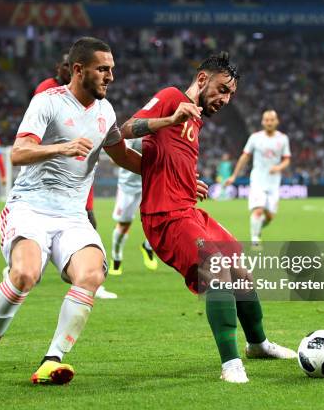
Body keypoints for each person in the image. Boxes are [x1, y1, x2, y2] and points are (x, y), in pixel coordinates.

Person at [0, 37, 141, 385]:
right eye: (103, 69)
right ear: (79, 70)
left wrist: (174, 175)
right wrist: (61, 149)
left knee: (91, 274)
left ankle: (52, 360)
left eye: (112, 70)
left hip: (72, 215)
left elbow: (122, 155)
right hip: (30, 207)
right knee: (24, 275)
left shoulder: (106, 112)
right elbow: (18, 152)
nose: (110, 76)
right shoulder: (47, 102)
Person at [121, 52, 296, 384]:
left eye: (230, 95)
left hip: (188, 209)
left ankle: (258, 344)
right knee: (215, 268)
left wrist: (188, 180)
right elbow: (126, 129)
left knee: (240, 266)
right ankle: (230, 364)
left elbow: (169, 157)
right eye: (222, 90)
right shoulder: (172, 98)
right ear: (202, 80)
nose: (226, 100)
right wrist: (169, 119)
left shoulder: (195, 119)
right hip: (165, 217)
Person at [33, 53, 115, 299]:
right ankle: (23, 270)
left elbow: (114, 144)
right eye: (66, 66)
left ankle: (91, 282)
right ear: (64, 68)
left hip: (78, 179)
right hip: (48, 183)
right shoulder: (47, 93)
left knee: (90, 224)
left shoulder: (96, 104)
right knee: (34, 249)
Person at [34, 53, 98, 234]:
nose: (69, 70)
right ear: (58, 68)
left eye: (73, 66)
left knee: (88, 223)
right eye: (65, 65)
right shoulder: (46, 89)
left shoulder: (83, 91)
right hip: (54, 161)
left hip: (79, 161)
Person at [225, 110, 291, 245]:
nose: (269, 122)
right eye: (266, 120)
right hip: (258, 180)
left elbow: (286, 159)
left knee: (270, 216)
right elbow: (244, 156)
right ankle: (255, 239)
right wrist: (234, 175)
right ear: (262, 122)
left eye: (272, 120)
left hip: (273, 182)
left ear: (276, 121)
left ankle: (258, 227)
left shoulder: (283, 139)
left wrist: (278, 167)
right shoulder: (255, 138)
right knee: (258, 209)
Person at [109, 137, 158, 276]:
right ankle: (116, 258)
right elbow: (115, 158)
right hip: (128, 188)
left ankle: (148, 247)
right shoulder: (131, 134)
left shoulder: (160, 132)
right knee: (124, 225)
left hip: (149, 184)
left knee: (159, 220)